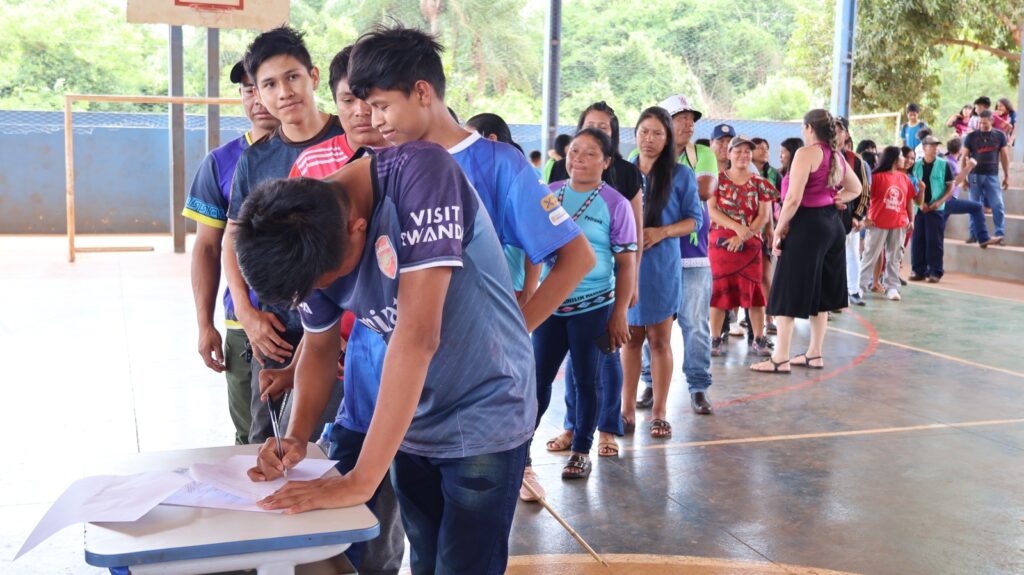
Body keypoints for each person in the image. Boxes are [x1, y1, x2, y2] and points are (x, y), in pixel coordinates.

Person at [237, 141, 535, 575]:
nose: (327, 290)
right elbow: (319, 348)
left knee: (464, 565)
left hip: (485, 411)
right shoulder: (305, 233)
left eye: (331, 280)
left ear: (358, 229)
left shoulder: (421, 175)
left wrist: (359, 479)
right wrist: (297, 437)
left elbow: (417, 339)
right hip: (412, 418)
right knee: (428, 560)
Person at [345, 23, 593, 507]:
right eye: (366, 108)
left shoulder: (499, 164)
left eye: (380, 105)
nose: (373, 120)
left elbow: (576, 257)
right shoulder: (377, 167)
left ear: (421, 92)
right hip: (401, 396)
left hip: (476, 402)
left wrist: (516, 329)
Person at [280, 45, 404, 574]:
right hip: (361, 386)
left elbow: (419, 337)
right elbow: (320, 325)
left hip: (430, 405)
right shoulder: (329, 186)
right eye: (348, 99)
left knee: (388, 534)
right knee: (340, 534)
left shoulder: (430, 182)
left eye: (372, 101)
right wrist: (294, 441)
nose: (361, 113)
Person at [222, 26, 346, 444]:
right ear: (257, 93)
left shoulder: (351, 141)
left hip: (341, 331)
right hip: (276, 330)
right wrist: (247, 315)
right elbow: (233, 240)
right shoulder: (255, 160)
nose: (284, 92)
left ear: (312, 77)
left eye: (292, 77)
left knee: (326, 447)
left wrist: (353, 327)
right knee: (265, 441)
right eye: (269, 84)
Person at [530, 128, 637, 480]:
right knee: (537, 379)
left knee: (586, 379)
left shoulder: (616, 204)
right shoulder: (548, 195)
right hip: (549, 305)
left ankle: (581, 450)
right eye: (574, 151)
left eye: (590, 153)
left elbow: (625, 263)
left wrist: (620, 311)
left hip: (594, 306)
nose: (579, 159)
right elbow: (530, 245)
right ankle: (520, 449)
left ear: (606, 162)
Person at [182, 60, 279, 446]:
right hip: (244, 326)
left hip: (313, 327)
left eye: (265, 85)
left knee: (316, 442)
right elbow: (208, 247)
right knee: (252, 441)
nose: (257, 97)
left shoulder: (324, 151)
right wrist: (205, 323)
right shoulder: (220, 162)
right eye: (248, 89)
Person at [750, 109, 862, 374]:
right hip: (832, 227)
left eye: (803, 127)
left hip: (807, 225)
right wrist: (837, 199)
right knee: (821, 294)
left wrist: (778, 230)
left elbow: (793, 199)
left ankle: (780, 358)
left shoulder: (806, 153)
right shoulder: (836, 156)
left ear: (810, 128)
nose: (802, 131)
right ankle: (814, 353)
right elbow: (855, 188)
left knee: (787, 289)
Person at [621, 107, 702, 438]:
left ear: (667, 138)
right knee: (629, 339)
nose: (648, 139)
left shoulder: (681, 175)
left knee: (659, 340)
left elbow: (694, 220)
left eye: (656, 133)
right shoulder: (622, 173)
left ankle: (659, 412)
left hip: (662, 266)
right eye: (643, 132)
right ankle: (625, 411)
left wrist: (661, 232)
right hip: (628, 265)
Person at [636, 93, 719, 414]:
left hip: (693, 254)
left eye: (691, 119)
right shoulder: (637, 156)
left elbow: (705, 189)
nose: (688, 123)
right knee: (647, 323)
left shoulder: (703, 154)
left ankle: (698, 386)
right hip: (652, 255)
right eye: (680, 118)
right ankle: (649, 383)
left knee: (695, 324)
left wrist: (668, 181)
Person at [708, 137, 775, 357]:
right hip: (721, 244)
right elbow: (712, 211)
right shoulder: (716, 181)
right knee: (718, 293)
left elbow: (764, 216)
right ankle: (715, 338)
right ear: (728, 154)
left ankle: (758, 338)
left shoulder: (761, 183)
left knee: (754, 293)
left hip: (749, 244)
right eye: (738, 151)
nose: (743, 155)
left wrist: (744, 236)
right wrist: (737, 229)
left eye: (747, 152)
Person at [858, 146, 915, 301]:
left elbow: (909, 199)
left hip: (899, 223)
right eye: (902, 157)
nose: (905, 160)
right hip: (877, 223)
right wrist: (864, 218)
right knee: (870, 255)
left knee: (894, 257)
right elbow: (864, 198)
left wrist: (911, 219)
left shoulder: (904, 178)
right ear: (895, 159)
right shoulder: (876, 177)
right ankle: (860, 287)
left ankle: (892, 287)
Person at [909, 135, 955, 283]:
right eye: (931, 145)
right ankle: (918, 271)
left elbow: (950, 186)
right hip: (919, 208)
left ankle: (935, 272)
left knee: (934, 241)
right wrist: (919, 204)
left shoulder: (943, 164)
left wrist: (939, 202)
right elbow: (911, 186)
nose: (935, 148)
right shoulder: (915, 165)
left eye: (936, 146)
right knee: (917, 240)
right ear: (924, 148)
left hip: (936, 208)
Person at [836, 117, 871, 307]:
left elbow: (864, 191)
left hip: (849, 218)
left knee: (851, 254)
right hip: (826, 217)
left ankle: (853, 290)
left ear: (846, 135)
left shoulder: (854, 159)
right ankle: (828, 298)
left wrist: (858, 216)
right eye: (832, 130)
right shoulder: (818, 155)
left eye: (839, 130)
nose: (835, 134)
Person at [961, 109, 1009, 244]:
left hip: (992, 175)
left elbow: (1004, 156)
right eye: (980, 123)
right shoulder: (971, 137)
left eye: (985, 123)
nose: (982, 125)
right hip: (974, 175)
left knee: (998, 205)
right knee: (974, 205)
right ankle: (973, 234)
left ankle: (1000, 235)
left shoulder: (1000, 136)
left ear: (992, 121)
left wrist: (1007, 176)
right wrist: (964, 178)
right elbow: (964, 157)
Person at [943, 138, 998, 248]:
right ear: (960, 150)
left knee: (938, 229)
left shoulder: (949, 161)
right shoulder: (950, 163)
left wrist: (969, 176)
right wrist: (969, 168)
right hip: (947, 200)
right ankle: (983, 238)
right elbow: (956, 181)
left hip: (948, 200)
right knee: (977, 207)